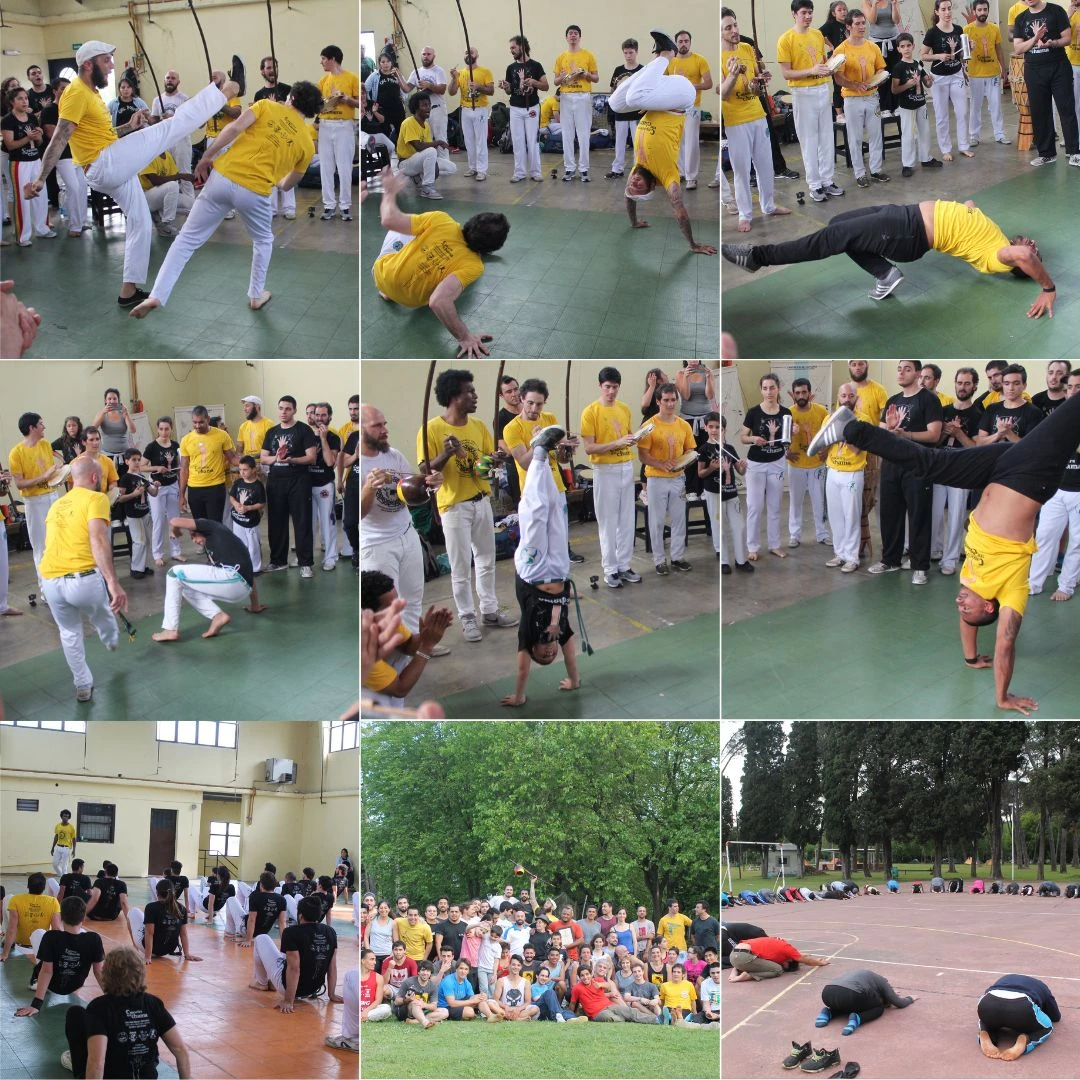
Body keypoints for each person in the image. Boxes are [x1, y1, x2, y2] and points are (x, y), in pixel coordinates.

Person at [809, 387, 1080, 714]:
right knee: (1072, 417)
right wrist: (1002, 696)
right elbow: (1005, 643)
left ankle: (850, 428)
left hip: (995, 469)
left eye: (962, 607)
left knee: (929, 463)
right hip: (1029, 476)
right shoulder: (1013, 591)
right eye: (968, 608)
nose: (959, 602)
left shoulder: (970, 581)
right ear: (990, 609)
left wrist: (970, 658)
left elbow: (969, 621)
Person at [26, 44, 239, 307]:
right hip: (106, 164)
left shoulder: (91, 95)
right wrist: (38, 179)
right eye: (107, 61)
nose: (113, 66)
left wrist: (129, 125)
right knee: (170, 128)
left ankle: (128, 291)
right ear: (89, 65)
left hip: (108, 164)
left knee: (139, 220)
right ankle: (225, 90)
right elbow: (59, 138)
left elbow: (100, 137)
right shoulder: (76, 93)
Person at [131, 80, 320, 318]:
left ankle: (157, 295)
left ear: (291, 97)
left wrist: (207, 156)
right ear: (312, 111)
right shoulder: (307, 143)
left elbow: (232, 129)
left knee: (186, 240)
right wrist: (278, 182)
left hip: (222, 178)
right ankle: (255, 295)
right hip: (255, 192)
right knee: (263, 241)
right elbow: (289, 183)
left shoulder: (266, 106)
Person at [722, 198, 1058, 316]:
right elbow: (968, 207)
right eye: (1037, 244)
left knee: (831, 238)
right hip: (905, 216)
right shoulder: (995, 237)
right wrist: (969, 212)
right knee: (840, 224)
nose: (1032, 244)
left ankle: (757, 257)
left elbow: (1025, 254)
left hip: (907, 232)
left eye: (1035, 251)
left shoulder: (998, 257)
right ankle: (885, 274)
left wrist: (1046, 287)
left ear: (1018, 267)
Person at [418, 369, 518, 641]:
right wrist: (446, 453)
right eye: (469, 392)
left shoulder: (480, 427)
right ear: (453, 396)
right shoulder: (432, 429)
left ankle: (490, 610)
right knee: (461, 566)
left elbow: (483, 471)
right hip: (453, 506)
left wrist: (495, 460)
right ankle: (467, 617)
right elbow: (425, 469)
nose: (475, 396)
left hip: (481, 501)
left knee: (487, 560)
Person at [372, 169, 510, 357]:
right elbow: (438, 301)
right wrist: (464, 337)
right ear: (492, 249)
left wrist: (389, 193)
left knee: (401, 229)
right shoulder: (473, 266)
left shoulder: (441, 220)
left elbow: (388, 220)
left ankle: (386, 291)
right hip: (409, 301)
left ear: (471, 221)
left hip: (381, 275)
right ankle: (390, 292)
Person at [613, 30, 717, 253]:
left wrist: (633, 222)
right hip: (682, 96)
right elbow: (679, 210)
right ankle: (667, 53)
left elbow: (629, 198)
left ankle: (660, 54)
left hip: (664, 93)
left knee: (615, 103)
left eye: (631, 185)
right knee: (632, 98)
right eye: (639, 187)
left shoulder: (638, 168)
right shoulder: (666, 174)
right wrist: (694, 244)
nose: (633, 183)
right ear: (652, 185)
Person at [499, 425, 582, 706]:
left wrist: (520, 696)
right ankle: (544, 452)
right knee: (555, 510)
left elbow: (522, 667)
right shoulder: (563, 632)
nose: (548, 651)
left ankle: (537, 454)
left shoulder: (528, 630)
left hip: (532, 573)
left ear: (533, 648)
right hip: (558, 569)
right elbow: (570, 653)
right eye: (551, 655)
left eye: (542, 654)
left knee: (534, 514)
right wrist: (574, 680)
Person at [38, 456, 128, 702]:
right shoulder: (97, 498)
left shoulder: (56, 505)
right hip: (83, 580)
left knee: (69, 633)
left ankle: (82, 684)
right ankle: (110, 640)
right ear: (94, 477)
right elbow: (98, 540)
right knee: (103, 615)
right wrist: (113, 581)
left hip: (50, 580)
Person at [61, 946, 192, 1078]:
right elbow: (180, 1050)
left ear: (107, 974)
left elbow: (97, 1063)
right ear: (140, 973)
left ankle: (80, 1070)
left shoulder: (99, 1007)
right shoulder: (153, 1004)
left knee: (75, 1014)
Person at [151, 512, 265, 642]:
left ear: (201, 529)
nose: (194, 540)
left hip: (232, 580)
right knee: (183, 583)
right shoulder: (221, 544)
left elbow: (174, 520)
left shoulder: (211, 527)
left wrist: (175, 531)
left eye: (194, 535)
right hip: (241, 589)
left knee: (174, 573)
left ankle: (170, 629)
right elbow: (248, 573)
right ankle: (217, 616)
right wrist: (255, 606)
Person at [581, 367, 643, 588]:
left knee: (627, 520)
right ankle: (610, 569)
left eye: (615, 387)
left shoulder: (624, 409)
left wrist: (633, 439)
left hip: (626, 467)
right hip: (605, 470)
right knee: (608, 521)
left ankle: (624, 565)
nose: (611, 391)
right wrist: (616, 444)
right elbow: (589, 448)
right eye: (607, 387)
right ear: (600, 386)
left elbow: (624, 437)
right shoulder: (590, 412)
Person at [778, 1, 844, 203]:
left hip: (823, 89)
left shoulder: (817, 35)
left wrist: (831, 65)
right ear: (794, 14)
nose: (808, 16)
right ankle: (814, 184)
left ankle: (827, 180)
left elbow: (821, 63)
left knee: (826, 137)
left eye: (810, 12)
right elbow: (786, 72)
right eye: (804, 13)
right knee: (809, 140)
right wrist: (811, 71)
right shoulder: (786, 39)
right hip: (802, 92)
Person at [1029, 369, 1080, 600]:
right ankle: (1034, 582)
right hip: (1057, 487)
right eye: (1069, 387)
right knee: (1044, 536)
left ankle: (1066, 586)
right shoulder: (1060, 415)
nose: (1072, 392)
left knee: (1077, 543)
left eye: (1078, 387)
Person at [637, 384, 696, 575]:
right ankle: (659, 560)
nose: (670, 404)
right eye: (666, 400)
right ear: (658, 401)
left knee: (679, 519)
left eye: (673, 400)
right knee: (657, 521)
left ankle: (677, 557)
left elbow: (690, 450)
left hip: (678, 478)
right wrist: (661, 464)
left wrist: (684, 461)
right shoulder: (649, 426)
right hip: (656, 479)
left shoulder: (683, 425)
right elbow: (643, 456)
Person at [1013, 0, 1079, 168]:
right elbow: (1019, 48)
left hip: (1059, 68)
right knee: (1040, 112)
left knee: (1066, 109)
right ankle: (1047, 153)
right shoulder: (1021, 18)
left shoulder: (1056, 11)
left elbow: (1067, 38)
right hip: (1034, 70)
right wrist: (1035, 38)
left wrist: (1053, 43)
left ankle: (1074, 152)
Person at [14, 897, 103, 1019]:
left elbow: (46, 971)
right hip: (75, 984)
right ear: (83, 917)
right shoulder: (94, 939)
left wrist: (36, 1005)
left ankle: (35, 980)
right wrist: (112, 1000)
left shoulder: (51, 937)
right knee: (79, 933)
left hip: (52, 985)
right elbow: (99, 972)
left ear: (61, 917)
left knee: (39, 933)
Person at [258, 395, 318, 575]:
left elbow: (311, 457)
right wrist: (276, 458)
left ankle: (305, 563)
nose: (283, 412)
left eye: (287, 409)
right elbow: (263, 458)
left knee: (302, 522)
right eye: (281, 408)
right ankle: (278, 560)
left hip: (298, 482)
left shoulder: (304, 430)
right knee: (276, 522)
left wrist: (292, 459)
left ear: (294, 410)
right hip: (276, 482)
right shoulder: (272, 432)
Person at [9, 411, 64, 594]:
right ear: (32, 428)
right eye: (41, 424)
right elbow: (19, 483)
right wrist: (44, 477)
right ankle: (46, 589)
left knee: (58, 540)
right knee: (40, 545)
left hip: (52, 496)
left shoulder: (46, 444)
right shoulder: (16, 453)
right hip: (34, 501)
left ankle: (60, 583)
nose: (44, 427)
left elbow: (50, 473)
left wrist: (60, 475)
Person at [740, 373, 792, 561]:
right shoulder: (753, 412)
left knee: (775, 506)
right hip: (755, 465)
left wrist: (793, 432)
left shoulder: (786, 413)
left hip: (777, 463)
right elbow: (743, 437)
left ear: (778, 388)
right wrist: (754, 438)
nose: (769, 392)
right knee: (754, 507)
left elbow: (787, 441)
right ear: (761, 390)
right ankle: (752, 547)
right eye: (765, 388)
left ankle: (774, 545)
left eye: (772, 387)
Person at [922, 0, 974, 161]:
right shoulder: (932, 32)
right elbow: (923, 55)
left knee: (963, 112)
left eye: (949, 9)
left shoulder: (959, 29)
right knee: (942, 115)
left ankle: (964, 146)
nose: (947, 12)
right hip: (939, 78)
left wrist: (970, 47)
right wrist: (938, 56)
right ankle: (945, 149)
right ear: (937, 12)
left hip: (956, 74)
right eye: (943, 9)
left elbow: (961, 54)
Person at [316, 45, 359, 221]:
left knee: (344, 166)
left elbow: (359, 102)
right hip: (326, 126)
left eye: (324, 59)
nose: (322, 62)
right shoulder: (323, 81)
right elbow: (319, 106)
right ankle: (329, 205)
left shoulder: (351, 78)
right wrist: (328, 103)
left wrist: (346, 99)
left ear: (333, 59)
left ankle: (345, 206)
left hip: (344, 126)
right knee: (326, 167)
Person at [552, 25, 599, 181]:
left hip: (583, 96)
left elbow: (596, 78)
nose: (573, 36)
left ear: (579, 37)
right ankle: (569, 168)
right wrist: (564, 77)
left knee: (583, 133)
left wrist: (585, 74)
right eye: (570, 33)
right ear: (566, 37)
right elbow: (556, 81)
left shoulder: (588, 55)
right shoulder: (560, 57)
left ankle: (584, 169)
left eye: (575, 33)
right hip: (566, 97)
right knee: (567, 134)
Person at [667, 31, 712, 189]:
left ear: (690, 42)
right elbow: (663, 81)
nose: (683, 44)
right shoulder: (670, 61)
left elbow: (708, 83)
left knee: (692, 141)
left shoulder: (699, 60)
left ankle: (692, 176)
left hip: (693, 107)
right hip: (674, 107)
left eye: (686, 41)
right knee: (677, 141)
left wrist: (692, 86)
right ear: (676, 43)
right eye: (680, 41)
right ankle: (680, 172)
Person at [500, 36, 548, 183]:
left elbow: (545, 86)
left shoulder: (536, 65)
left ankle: (535, 171)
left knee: (532, 139)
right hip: (515, 108)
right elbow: (510, 91)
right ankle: (519, 172)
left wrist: (534, 82)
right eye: (510, 48)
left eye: (513, 47)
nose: (511, 51)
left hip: (532, 108)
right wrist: (506, 87)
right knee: (518, 140)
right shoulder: (511, 68)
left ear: (521, 46)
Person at [891, 33, 940, 177]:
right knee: (908, 135)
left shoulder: (917, 64)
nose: (906, 49)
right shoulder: (898, 68)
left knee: (924, 132)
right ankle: (907, 164)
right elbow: (894, 90)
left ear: (913, 46)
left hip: (921, 103)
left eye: (908, 46)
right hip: (906, 106)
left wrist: (930, 80)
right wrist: (907, 85)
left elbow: (926, 82)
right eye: (902, 46)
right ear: (898, 49)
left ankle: (926, 158)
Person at [978, 974, 1060, 1058]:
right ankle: (1026, 1039)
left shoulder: (1006, 977)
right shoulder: (1042, 986)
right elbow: (1056, 1016)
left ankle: (985, 1032)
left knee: (985, 1020)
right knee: (1047, 1027)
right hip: (1021, 1006)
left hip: (988, 1001)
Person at [405, 46, 456, 177]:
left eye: (428, 54)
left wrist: (429, 86)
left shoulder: (438, 71)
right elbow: (406, 88)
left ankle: (445, 167)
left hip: (436, 109)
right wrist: (398, 75)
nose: (426, 56)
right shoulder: (416, 71)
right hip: (422, 112)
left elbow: (442, 89)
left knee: (440, 137)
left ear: (434, 56)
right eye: (423, 54)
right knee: (424, 139)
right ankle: (427, 166)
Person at [179, 405, 236, 522]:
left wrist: (250, 463)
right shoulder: (186, 440)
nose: (197, 426)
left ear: (208, 419)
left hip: (215, 487)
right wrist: (182, 495)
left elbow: (232, 458)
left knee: (215, 526)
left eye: (201, 422)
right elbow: (184, 469)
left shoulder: (222, 435)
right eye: (194, 422)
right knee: (200, 526)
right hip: (195, 489)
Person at [965, 1, 1010, 146]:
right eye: (979, 10)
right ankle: (974, 136)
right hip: (975, 74)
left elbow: (999, 49)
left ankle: (999, 133)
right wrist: (963, 71)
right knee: (975, 105)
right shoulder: (967, 29)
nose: (982, 12)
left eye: (985, 9)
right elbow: (964, 54)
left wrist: (1003, 68)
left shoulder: (994, 29)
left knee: (996, 104)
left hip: (993, 73)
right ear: (974, 11)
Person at [816, 968, 915, 1034]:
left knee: (847, 1002)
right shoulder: (883, 981)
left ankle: (828, 1012)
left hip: (827, 993)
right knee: (879, 1007)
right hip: (851, 994)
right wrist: (910, 998)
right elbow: (899, 1003)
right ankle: (858, 1018)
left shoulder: (863, 975)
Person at [450, 48, 496, 182]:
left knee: (480, 140)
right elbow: (452, 92)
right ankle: (473, 167)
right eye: (466, 52)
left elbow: (491, 91)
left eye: (472, 52)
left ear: (477, 55)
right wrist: (453, 79)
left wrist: (478, 86)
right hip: (465, 109)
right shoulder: (460, 73)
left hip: (480, 109)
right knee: (468, 140)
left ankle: (482, 170)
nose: (469, 54)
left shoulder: (485, 72)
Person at [129, 880, 202, 964]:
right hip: (169, 949)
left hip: (151, 949)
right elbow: (183, 934)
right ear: (173, 892)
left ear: (157, 893)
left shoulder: (151, 907)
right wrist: (187, 954)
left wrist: (147, 957)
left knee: (132, 912)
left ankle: (135, 947)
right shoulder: (182, 908)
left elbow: (149, 933)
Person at [144, 417, 184, 566]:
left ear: (171, 429)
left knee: (175, 520)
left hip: (173, 484)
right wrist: (156, 468)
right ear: (157, 429)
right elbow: (142, 466)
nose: (164, 432)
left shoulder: (176, 445)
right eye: (161, 429)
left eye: (167, 429)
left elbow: (179, 466)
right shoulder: (151, 447)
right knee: (159, 520)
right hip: (157, 487)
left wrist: (181, 487)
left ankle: (176, 552)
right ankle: (157, 554)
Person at [395, 91, 446, 201]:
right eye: (424, 105)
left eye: (429, 105)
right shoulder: (408, 123)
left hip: (417, 159)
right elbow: (419, 146)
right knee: (432, 151)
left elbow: (427, 148)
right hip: (405, 163)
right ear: (416, 108)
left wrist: (435, 164)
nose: (428, 108)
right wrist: (438, 142)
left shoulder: (426, 125)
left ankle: (417, 178)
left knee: (451, 167)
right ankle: (427, 188)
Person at [0, 873, 62, 962]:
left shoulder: (16, 899)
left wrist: (5, 954)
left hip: (20, 947)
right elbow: (57, 929)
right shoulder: (53, 901)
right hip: (41, 947)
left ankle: (3, 934)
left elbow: (11, 929)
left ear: (28, 886)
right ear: (44, 888)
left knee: (8, 898)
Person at [570, 963, 657, 1022]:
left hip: (610, 1005)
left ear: (590, 974)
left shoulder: (597, 980)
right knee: (614, 1018)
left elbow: (608, 985)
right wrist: (570, 1015)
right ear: (579, 977)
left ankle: (656, 1019)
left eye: (587, 974)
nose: (585, 977)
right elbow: (573, 1004)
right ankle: (628, 1019)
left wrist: (600, 985)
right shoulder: (577, 988)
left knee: (630, 1012)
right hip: (597, 1013)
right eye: (582, 975)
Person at [606, 39, 642, 179]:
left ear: (636, 52)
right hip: (620, 112)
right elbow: (613, 89)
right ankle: (617, 169)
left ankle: (638, 170)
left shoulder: (642, 70)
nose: (628, 55)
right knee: (619, 142)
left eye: (631, 52)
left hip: (636, 112)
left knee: (638, 143)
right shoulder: (618, 70)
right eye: (626, 53)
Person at [392, 958, 447, 1025]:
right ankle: (425, 1022)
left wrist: (424, 1005)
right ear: (418, 972)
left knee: (445, 1012)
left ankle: (415, 1021)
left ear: (430, 974)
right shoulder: (408, 982)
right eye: (423, 970)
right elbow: (396, 1001)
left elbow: (434, 1006)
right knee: (416, 1002)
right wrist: (406, 1000)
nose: (425, 973)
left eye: (428, 971)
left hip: (421, 1009)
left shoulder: (433, 986)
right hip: (405, 1011)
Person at [51, 808, 76, 879]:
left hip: (66, 848)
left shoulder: (71, 827)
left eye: (67, 817)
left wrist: (74, 850)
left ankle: (63, 880)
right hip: (58, 847)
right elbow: (56, 836)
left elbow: (74, 839)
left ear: (69, 818)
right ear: (61, 816)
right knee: (55, 864)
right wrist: (52, 847)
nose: (66, 818)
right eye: (64, 816)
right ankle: (63, 876)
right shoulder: (58, 826)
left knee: (64, 866)